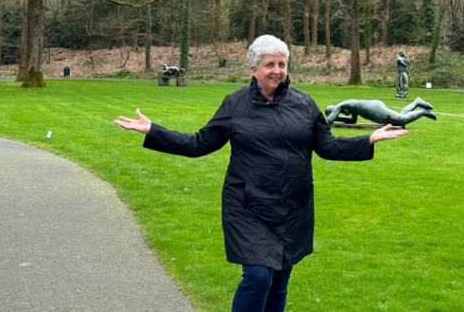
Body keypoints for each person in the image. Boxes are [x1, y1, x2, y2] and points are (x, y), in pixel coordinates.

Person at [113, 35, 406, 312]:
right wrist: (155, 131)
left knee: (279, 281)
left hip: (294, 206)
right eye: (270, 64)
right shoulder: (235, 104)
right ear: (254, 68)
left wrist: (366, 140)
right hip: (248, 205)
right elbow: (199, 143)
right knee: (258, 276)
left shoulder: (304, 104)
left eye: (282, 64)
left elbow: (327, 147)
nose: (277, 71)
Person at [324, 97, 436, 126]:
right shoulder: (349, 105)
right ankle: (416, 102)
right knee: (400, 116)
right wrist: (339, 118)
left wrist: (334, 116)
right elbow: (353, 121)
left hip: (371, 109)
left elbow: (330, 120)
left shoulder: (339, 106)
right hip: (370, 107)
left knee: (402, 120)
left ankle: (422, 111)